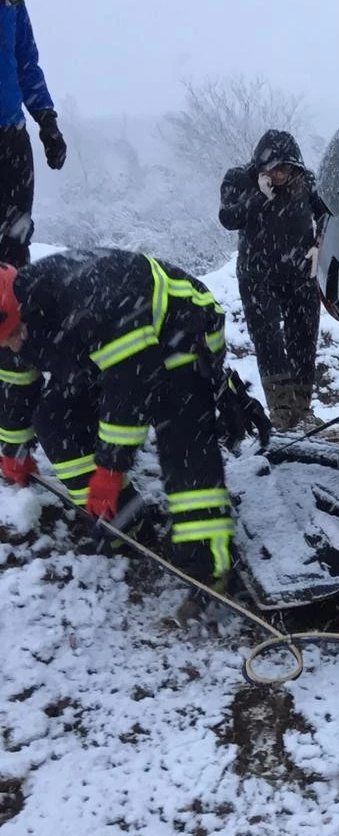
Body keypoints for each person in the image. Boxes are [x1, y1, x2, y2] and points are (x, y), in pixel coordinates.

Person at [0, 249, 235, 607]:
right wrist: (14, 449)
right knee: (54, 419)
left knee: (183, 441)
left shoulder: (90, 304)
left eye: (16, 332)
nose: (14, 344)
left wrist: (110, 467)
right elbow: (18, 387)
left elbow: (128, 390)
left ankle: (208, 566)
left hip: (181, 326)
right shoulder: (9, 324)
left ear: (25, 308)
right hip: (105, 353)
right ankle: (121, 520)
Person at [219, 130, 320, 429]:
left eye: (285, 168)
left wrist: (320, 242)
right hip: (256, 273)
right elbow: (228, 218)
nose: (280, 175)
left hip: (300, 270)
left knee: (303, 337)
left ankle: (302, 410)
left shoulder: (306, 182)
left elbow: (326, 212)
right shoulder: (238, 179)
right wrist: (258, 197)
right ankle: (281, 408)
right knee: (268, 340)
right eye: (274, 168)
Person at [1, 0, 67, 267]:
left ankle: (12, 319)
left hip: (10, 139)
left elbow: (26, 64)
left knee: (15, 240)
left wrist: (47, 121)